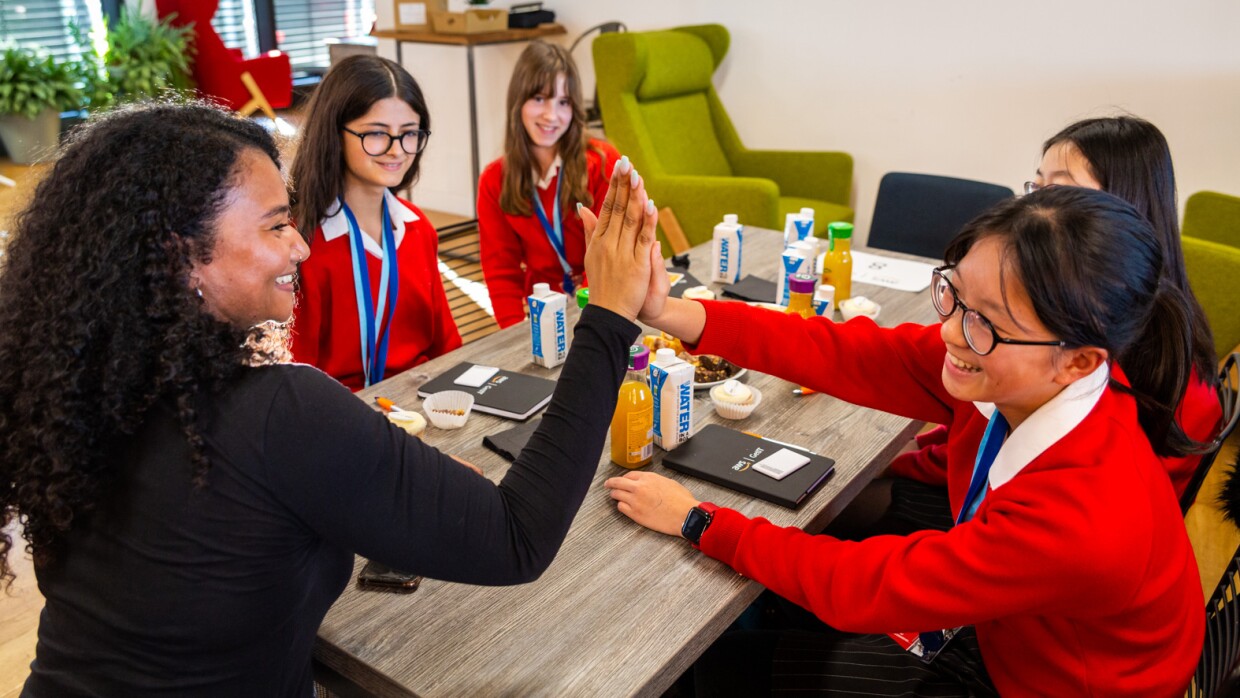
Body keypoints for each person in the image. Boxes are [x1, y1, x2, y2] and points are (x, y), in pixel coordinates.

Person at [0, 101, 658, 696]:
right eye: (275, 227)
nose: (301, 245)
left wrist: (369, 489)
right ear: (182, 257)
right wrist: (608, 319)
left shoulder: (77, 398)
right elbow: (519, 536)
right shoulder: (279, 416)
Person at [595, 187, 1205, 695]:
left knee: (744, 660)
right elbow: (848, 351)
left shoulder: (1080, 515)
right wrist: (670, 311)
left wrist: (698, 520)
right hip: (1021, 632)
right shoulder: (1039, 374)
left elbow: (867, 586)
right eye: (955, 294)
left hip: (1056, 684)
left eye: (985, 322)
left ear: (1078, 361)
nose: (950, 331)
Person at [848, 115, 1221, 539]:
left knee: (845, 508)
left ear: (1117, 209)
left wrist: (902, 458)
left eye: (1059, 189)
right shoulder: (1135, 313)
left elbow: (998, 455)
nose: (1034, 206)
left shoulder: (1132, 353)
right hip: (999, 498)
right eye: (1036, 186)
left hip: (1026, 524)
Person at [289, 55, 461, 391]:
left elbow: (447, 346)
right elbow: (296, 379)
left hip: (422, 404)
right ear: (336, 133)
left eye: (409, 133)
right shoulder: (301, 243)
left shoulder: (417, 228)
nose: (396, 151)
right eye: (377, 134)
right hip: (341, 417)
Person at [477, 41, 621, 328]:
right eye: (540, 98)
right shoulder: (494, 180)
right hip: (543, 312)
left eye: (563, 102)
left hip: (604, 303)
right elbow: (501, 271)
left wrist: (587, 320)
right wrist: (513, 336)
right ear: (518, 101)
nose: (551, 115)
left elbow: (611, 252)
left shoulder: (603, 164)